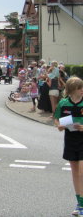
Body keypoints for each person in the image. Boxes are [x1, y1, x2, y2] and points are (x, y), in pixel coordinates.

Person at [54, 77, 83, 216]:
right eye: (80, 88)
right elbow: (56, 119)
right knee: (75, 173)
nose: (82, 90)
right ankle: (80, 204)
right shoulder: (64, 103)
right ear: (72, 90)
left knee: (82, 172)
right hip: (70, 139)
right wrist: (59, 126)